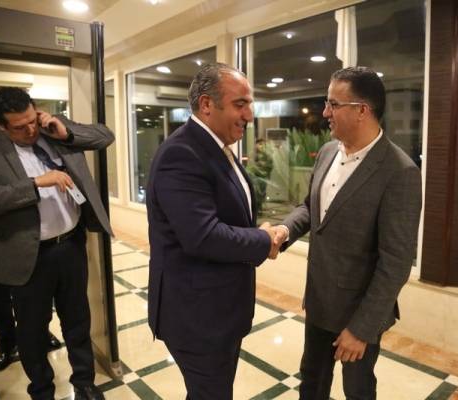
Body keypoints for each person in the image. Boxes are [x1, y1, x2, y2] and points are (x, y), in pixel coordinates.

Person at [275, 66, 422, 399]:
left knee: (358, 390)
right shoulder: (328, 152)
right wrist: (284, 230)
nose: (325, 112)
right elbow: (310, 208)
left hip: (359, 313)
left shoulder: (400, 172)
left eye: (333, 104)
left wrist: (361, 329)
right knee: (311, 383)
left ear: (362, 110)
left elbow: (396, 263)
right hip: (319, 301)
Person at [146, 63, 281, 400]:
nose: (249, 115)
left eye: (249, 104)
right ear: (207, 104)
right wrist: (263, 240)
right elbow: (203, 236)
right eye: (240, 104)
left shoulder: (217, 148)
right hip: (197, 318)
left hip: (218, 311)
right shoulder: (182, 153)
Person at [0, 87, 114, 400]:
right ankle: (41, 390)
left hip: (71, 245)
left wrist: (65, 133)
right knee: (32, 330)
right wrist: (35, 184)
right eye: (19, 127)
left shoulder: (53, 128)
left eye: (32, 120)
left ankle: (84, 382)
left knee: (78, 319)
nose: (30, 130)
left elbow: (104, 136)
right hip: (28, 255)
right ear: (0, 125)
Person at [0, 98, 61, 373]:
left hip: (24, 233)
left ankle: (41, 332)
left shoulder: (29, 139)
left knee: (33, 298)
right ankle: (6, 343)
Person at [247, 138, 273, 212]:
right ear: (256, 145)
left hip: (263, 178)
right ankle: (256, 208)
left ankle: (259, 207)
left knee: (262, 193)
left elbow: (270, 166)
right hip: (254, 177)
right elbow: (251, 166)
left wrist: (262, 168)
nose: (261, 146)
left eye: (263, 144)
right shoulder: (252, 154)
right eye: (260, 144)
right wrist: (259, 167)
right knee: (255, 192)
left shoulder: (267, 155)